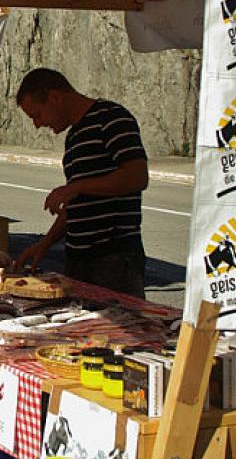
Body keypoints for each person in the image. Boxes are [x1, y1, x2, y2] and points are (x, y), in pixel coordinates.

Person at [13, 67, 148, 298]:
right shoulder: (74, 136)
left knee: (118, 326)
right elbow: (78, 204)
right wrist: (44, 245)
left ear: (55, 97)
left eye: (37, 115)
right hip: (79, 259)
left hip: (113, 258)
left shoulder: (112, 118)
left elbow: (136, 177)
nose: (37, 124)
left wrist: (75, 187)